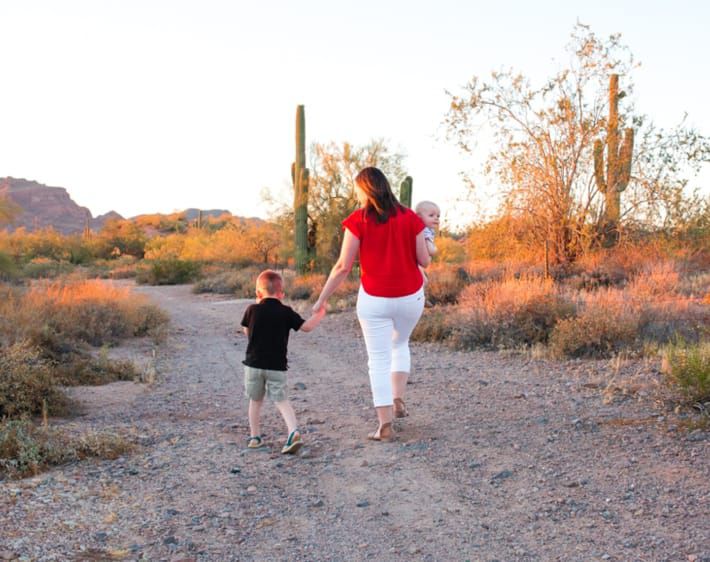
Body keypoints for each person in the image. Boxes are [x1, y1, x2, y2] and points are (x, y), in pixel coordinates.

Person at [312, 167, 430, 441]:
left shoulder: (358, 220)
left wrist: (322, 298)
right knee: (399, 344)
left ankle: (384, 423)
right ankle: (398, 398)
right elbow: (424, 260)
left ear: (365, 190)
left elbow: (342, 266)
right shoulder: (409, 217)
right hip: (410, 297)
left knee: (378, 359)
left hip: (375, 299)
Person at [241, 269, 325, 454]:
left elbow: (247, 332)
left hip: (254, 364)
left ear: (258, 293)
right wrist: (320, 313)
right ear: (282, 294)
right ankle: (293, 432)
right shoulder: (285, 312)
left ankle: (255, 437)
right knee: (281, 400)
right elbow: (307, 327)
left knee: (255, 401)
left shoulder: (252, 310)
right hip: (277, 367)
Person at [414, 200, 440, 283]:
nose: (436, 218)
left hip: (417, 260)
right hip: (416, 260)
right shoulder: (425, 230)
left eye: (438, 216)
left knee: (424, 281)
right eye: (431, 215)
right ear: (419, 217)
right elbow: (431, 250)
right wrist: (435, 249)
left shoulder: (427, 229)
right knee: (424, 282)